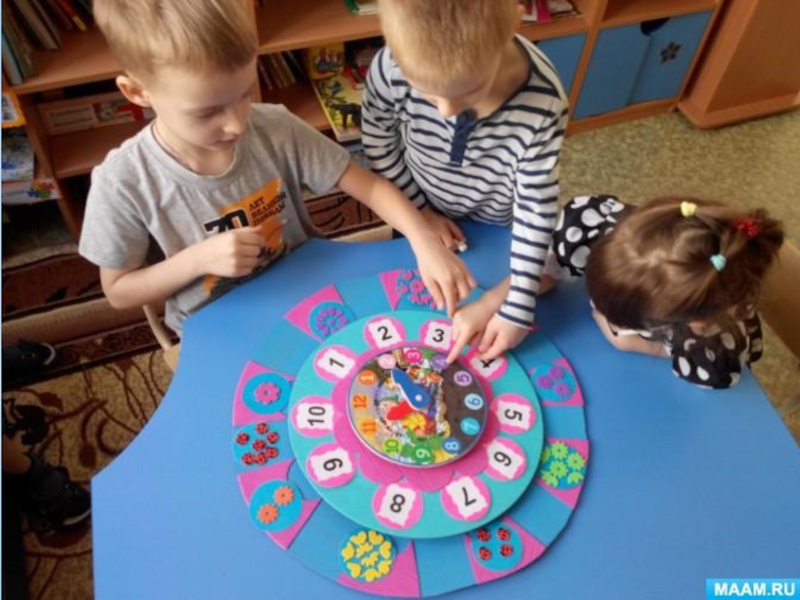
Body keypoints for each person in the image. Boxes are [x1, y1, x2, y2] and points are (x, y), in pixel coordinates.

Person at [78, 0, 475, 338]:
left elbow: (370, 187)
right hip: (216, 324)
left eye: (244, 94)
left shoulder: (274, 127)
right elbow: (119, 291)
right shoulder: (121, 182)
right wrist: (198, 260)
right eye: (207, 112)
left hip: (308, 290)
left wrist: (422, 239)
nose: (236, 124)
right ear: (136, 92)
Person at [361, 0, 569, 363]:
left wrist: (517, 308)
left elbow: (536, 207)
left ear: (514, 23)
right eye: (428, 94)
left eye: (469, 92)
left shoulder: (545, 101)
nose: (447, 111)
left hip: (498, 227)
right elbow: (379, 142)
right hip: (415, 210)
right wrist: (419, 212)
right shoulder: (390, 65)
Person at [541, 195, 784, 389]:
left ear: (693, 323)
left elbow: (712, 371)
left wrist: (628, 342)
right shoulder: (616, 232)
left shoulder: (712, 342)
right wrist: (537, 279)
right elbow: (558, 255)